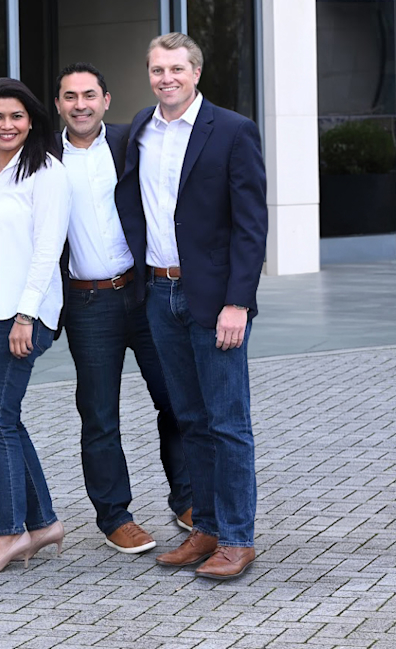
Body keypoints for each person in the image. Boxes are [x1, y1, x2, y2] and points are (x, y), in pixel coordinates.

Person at [115, 33, 268, 581]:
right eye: (157, 69)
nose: (166, 79)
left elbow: (251, 227)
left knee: (228, 422)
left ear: (196, 73)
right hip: (159, 293)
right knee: (191, 420)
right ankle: (204, 527)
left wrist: (238, 303)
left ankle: (236, 537)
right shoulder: (140, 129)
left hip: (214, 300)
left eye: (177, 69)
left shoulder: (231, 130)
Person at [54, 62, 192, 555]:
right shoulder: (45, 157)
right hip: (87, 300)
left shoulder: (130, 141)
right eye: (70, 97)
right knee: (98, 413)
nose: (80, 105)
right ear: (58, 105)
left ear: (106, 100)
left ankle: (188, 498)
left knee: (175, 398)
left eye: (89, 95)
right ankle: (115, 515)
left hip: (143, 292)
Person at [0, 77, 71, 574]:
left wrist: (24, 314)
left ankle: (10, 533)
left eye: (17, 116)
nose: (7, 125)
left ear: (32, 121)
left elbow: (48, 249)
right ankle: (42, 523)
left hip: (20, 315)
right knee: (4, 417)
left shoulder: (46, 172)